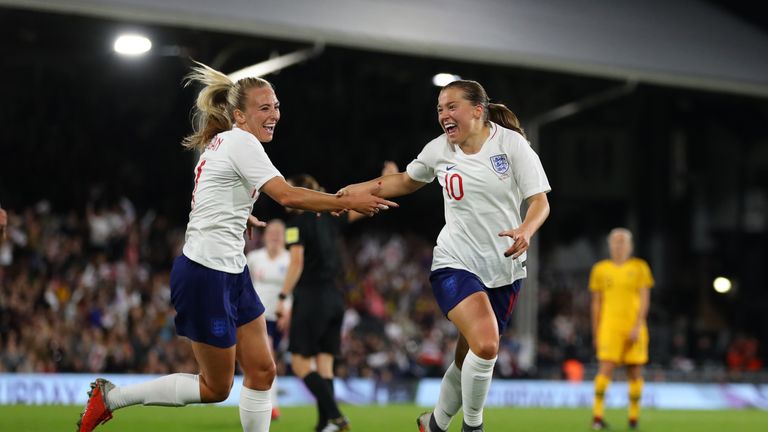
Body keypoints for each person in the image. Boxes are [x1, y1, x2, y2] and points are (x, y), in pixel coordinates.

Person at [77, 61, 398, 432]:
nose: (275, 114)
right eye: (265, 107)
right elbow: (288, 197)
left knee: (263, 371)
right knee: (215, 387)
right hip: (205, 273)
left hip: (232, 270)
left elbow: (210, 191)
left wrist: (238, 214)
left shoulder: (227, 141)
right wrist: (346, 202)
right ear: (239, 115)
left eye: (276, 106)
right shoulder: (241, 142)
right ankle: (111, 398)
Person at [337, 80, 551, 432]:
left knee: (469, 355)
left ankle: (435, 424)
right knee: (486, 343)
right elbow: (405, 181)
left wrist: (525, 230)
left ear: (477, 111)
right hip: (455, 262)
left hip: (505, 270)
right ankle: (473, 426)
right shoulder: (439, 150)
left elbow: (539, 202)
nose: (444, 115)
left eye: (452, 107)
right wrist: (347, 194)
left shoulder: (511, 145)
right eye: (440, 109)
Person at [589, 228, 654, 431]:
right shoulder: (600, 269)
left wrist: (637, 325)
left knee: (634, 372)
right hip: (609, 327)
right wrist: (596, 330)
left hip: (634, 327)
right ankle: (597, 417)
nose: (619, 245)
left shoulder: (640, 267)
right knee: (605, 369)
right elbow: (596, 303)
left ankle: (633, 418)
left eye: (623, 242)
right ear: (609, 245)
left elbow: (644, 299)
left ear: (630, 245)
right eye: (615, 242)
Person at [245, 219, 291, 421]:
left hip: (279, 318)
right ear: (264, 236)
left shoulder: (290, 260)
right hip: (257, 318)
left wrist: (288, 310)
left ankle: (261, 405)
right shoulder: (254, 258)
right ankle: (271, 407)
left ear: (284, 237)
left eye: (279, 233)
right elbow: (244, 286)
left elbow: (293, 290)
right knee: (266, 360)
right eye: (271, 232)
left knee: (268, 362)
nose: (274, 236)